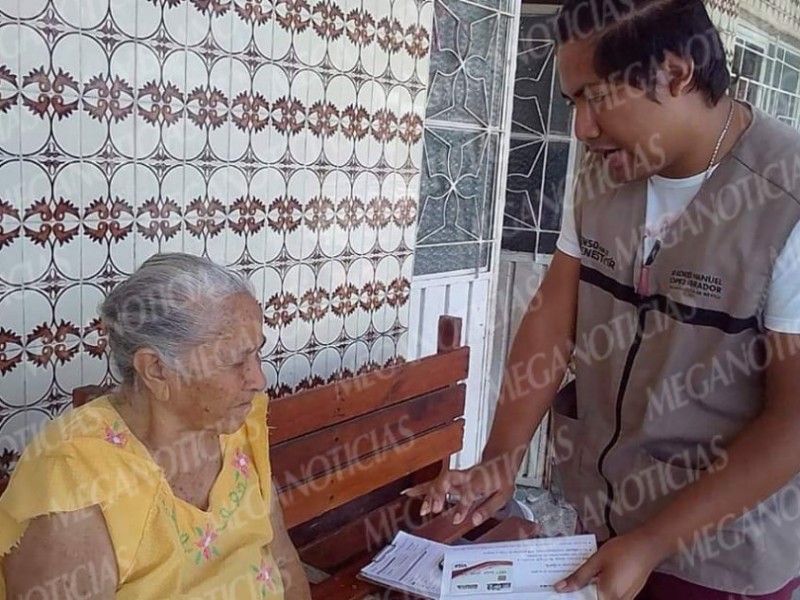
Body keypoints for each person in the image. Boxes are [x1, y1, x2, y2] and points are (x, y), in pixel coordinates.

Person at [406, 1, 800, 599]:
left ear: (674, 72)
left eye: (595, 97)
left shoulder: (785, 198)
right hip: (606, 529)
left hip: (723, 558)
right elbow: (553, 318)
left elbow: (792, 420)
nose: (583, 129)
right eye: (573, 104)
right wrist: (501, 457)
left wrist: (653, 542)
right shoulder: (605, 174)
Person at [0, 253, 312, 599]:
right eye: (236, 359)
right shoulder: (74, 478)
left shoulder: (235, 425)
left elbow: (282, 558)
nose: (259, 379)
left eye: (257, 355)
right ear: (156, 370)